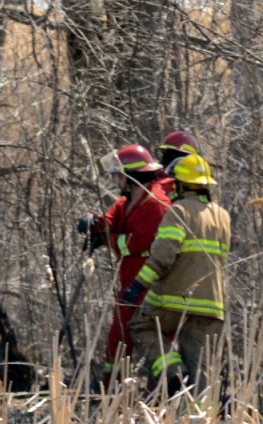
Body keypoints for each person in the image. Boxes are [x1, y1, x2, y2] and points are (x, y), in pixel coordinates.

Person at [124, 153, 230, 391]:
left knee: (141, 327)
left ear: (182, 184)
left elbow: (163, 257)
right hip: (213, 305)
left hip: (175, 299)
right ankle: (200, 411)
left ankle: (174, 375)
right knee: (200, 367)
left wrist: (138, 286)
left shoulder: (179, 211)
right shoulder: (223, 216)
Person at [79, 145, 175, 382]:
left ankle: (163, 391)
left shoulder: (157, 205)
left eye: (120, 176)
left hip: (150, 287)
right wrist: (94, 223)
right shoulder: (126, 203)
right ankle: (112, 390)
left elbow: (136, 242)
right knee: (118, 341)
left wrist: (108, 240)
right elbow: (111, 219)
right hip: (129, 287)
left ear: (132, 177)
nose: (117, 181)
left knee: (155, 342)